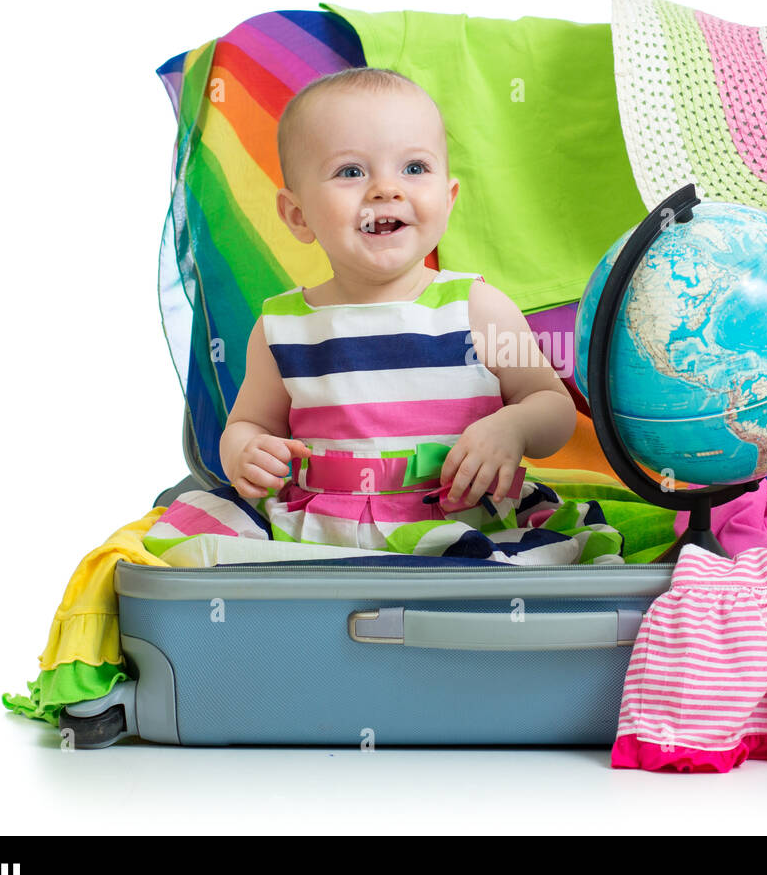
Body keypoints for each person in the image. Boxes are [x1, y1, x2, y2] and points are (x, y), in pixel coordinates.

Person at [146, 67, 624, 564]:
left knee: (534, 567)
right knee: (190, 551)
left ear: (448, 197)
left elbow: (552, 405)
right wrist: (244, 451)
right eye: (351, 172)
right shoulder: (282, 326)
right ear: (297, 215)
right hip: (319, 530)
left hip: (459, 521)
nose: (385, 190)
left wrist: (514, 427)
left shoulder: (477, 308)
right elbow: (249, 423)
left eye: (414, 169)